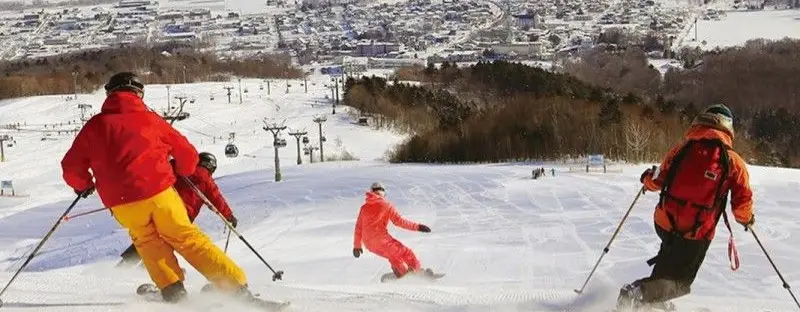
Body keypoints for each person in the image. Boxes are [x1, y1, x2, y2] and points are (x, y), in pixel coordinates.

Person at [60, 72, 250, 303]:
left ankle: (172, 289)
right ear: (139, 94)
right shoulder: (151, 120)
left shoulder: (94, 126)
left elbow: (71, 166)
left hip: (121, 203)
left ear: (109, 94)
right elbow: (188, 156)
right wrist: (182, 168)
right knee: (186, 237)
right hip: (159, 193)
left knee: (146, 240)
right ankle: (235, 287)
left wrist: (84, 185)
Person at [616, 104, 754, 311]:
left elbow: (658, 179)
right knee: (681, 282)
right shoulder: (733, 161)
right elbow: (742, 201)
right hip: (696, 232)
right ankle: (639, 294)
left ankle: (652, 302)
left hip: (664, 222)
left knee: (669, 257)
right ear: (728, 128)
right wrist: (747, 219)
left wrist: (646, 180)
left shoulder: (682, 149)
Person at [117, 152, 239, 268]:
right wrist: (229, 216)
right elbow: (217, 199)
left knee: (149, 237)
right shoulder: (207, 182)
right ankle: (153, 269)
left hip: (165, 209)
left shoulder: (180, 169)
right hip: (183, 218)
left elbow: (161, 172)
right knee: (167, 243)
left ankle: (125, 264)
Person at [352, 182, 432, 279]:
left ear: (371, 192)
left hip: (369, 244)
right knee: (406, 253)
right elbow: (399, 222)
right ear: (383, 193)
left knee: (394, 256)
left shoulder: (364, 208)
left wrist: (357, 246)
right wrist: (418, 227)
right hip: (381, 240)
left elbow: (358, 227)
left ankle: (401, 273)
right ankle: (418, 273)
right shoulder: (386, 205)